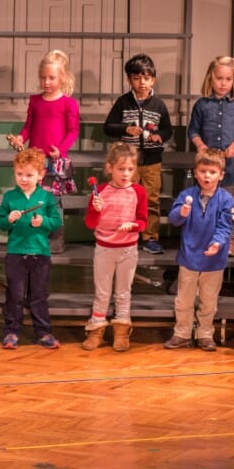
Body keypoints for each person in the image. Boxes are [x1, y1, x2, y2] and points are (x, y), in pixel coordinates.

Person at [163, 148, 234, 351]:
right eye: (203, 171)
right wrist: (182, 212)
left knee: (209, 301)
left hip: (214, 261)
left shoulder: (226, 199)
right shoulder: (186, 195)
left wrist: (217, 243)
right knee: (184, 300)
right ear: (196, 172)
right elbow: (174, 219)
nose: (207, 176)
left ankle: (204, 334)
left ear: (221, 175)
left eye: (212, 172)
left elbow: (225, 226)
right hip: (189, 258)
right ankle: (182, 333)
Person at [7, 49, 79, 254]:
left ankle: (56, 237)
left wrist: (61, 150)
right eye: (43, 77)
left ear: (62, 78)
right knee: (32, 198)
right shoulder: (35, 101)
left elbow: (73, 131)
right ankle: (34, 236)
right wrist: (21, 137)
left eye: (51, 78)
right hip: (34, 162)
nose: (46, 82)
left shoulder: (69, 103)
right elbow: (29, 125)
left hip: (55, 161)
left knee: (53, 202)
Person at [102, 53, 172, 254]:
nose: (142, 83)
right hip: (127, 162)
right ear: (129, 79)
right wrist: (126, 129)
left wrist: (159, 136)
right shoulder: (123, 102)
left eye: (147, 78)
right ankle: (125, 234)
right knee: (126, 199)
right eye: (137, 78)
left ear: (153, 79)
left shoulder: (159, 105)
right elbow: (108, 127)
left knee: (151, 200)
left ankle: (150, 238)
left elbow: (168, 130)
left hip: (152, 161)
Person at [82, 143, 147, 352]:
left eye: (130, 169)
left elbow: (143, 221)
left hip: (128, 249)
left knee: (123, 292)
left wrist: (134, 225)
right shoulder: (100, 192)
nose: (126, 173)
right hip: (104, 248)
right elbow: (90, 224)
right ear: (109, 168)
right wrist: (95, 209)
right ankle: (96, 330)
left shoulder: (139, 192)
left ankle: (121, 331)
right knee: (102, 292)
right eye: (121, 169)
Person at [0, 148, 62, 350]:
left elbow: (56, 221)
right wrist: (9, 219)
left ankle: (43, 332)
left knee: (39, 296)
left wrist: (43, 222)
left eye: (29, 175)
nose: (23, 179)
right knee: (15, 295)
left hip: (40, 254)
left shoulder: (47, 198)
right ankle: (12, 331)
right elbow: (1, 224)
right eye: (19, 174)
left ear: (41, 175)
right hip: (16, 253)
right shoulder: (9, 197)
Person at [187, 55, 234, 256]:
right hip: (208, 166)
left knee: (228, 206)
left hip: (230, 167)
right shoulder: (202, 105)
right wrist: (200, 145)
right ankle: (205, 239)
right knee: (205, 204)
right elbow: (193, 131)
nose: (223, 84)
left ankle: (229, 240)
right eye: (219, 78)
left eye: (228, 79)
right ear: (211, 78)